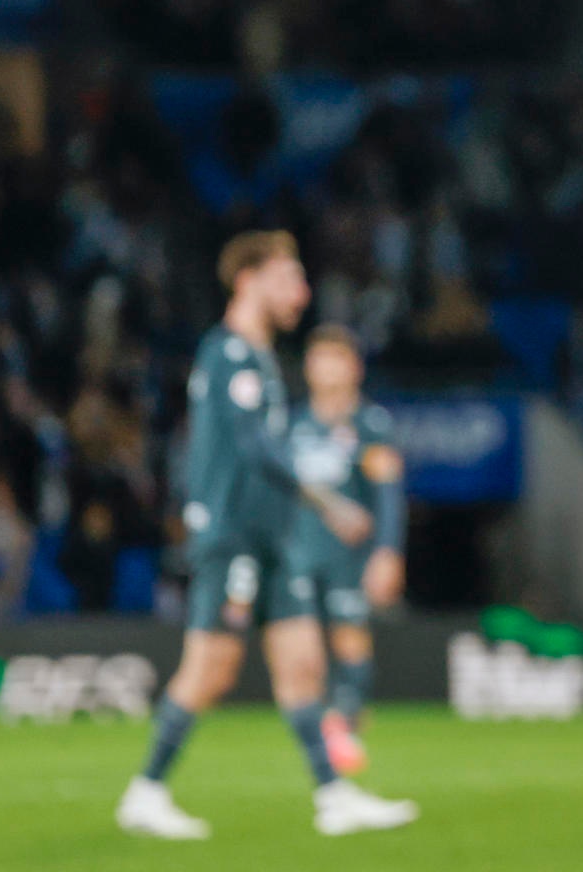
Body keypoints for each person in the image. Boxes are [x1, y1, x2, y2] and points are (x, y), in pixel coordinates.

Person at [115, 232, 418, 840]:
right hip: (233, 538)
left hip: (272, 539)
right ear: (248, 280)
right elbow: (255, 448)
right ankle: (145, 791)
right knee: (211, 671)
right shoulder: (228, 353)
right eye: (289, 278)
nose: (302, 293)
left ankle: (333, 796)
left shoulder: (262, 360)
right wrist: (328, 502)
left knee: (303, 664)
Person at [287, 324, 408, 778]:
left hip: (347, 556)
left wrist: (387, 552)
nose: (329, 368)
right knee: (304, 647)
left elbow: (388, 494)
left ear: (354, 368)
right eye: (320, 359)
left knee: (349, 636)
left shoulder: (368, 425)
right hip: (299, 552)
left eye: (338, 358)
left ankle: (344, 725)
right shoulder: (295, 424)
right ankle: (327, 724)